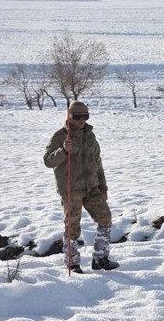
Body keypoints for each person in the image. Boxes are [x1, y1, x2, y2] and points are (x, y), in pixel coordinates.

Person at [44, 101, 119, 272]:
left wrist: (103, 185)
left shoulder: (91, 136)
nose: (82, 120)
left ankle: (101, 258)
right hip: (70, 189)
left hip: (92, 187)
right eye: (77, 116)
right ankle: (73, 262)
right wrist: (63, 151)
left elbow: (97, 163)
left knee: (105, 218)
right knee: (72, 227)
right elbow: (48, 161)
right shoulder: (60, 136)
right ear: (69, 116)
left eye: (85, 116)